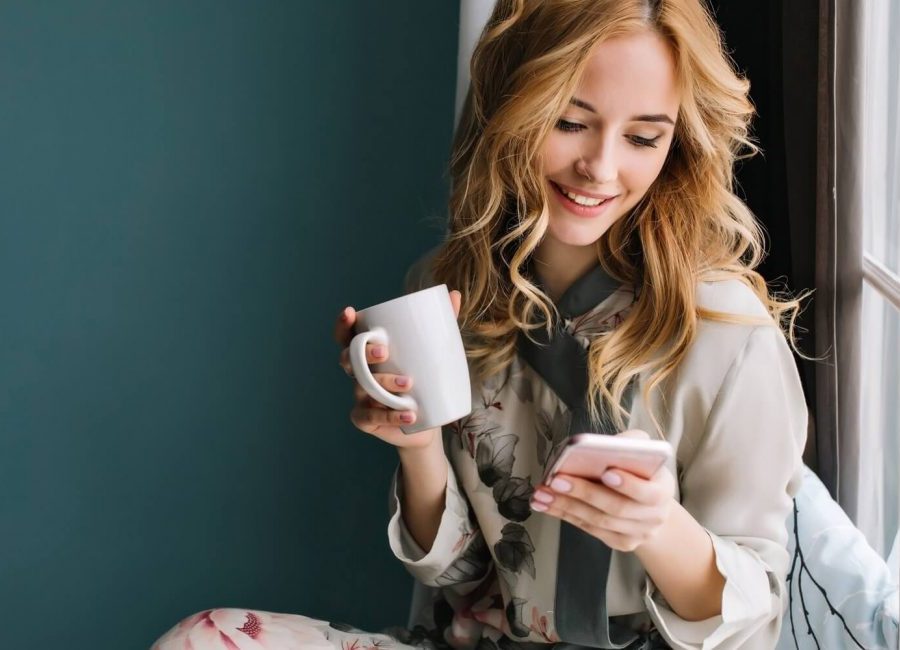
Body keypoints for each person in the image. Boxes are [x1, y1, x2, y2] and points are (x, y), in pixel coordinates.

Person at [152, 0, 810, 648]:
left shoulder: (727, 333)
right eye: (570, 122)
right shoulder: (448, 296)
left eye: (643, 137)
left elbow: (754, 623)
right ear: (511, 104)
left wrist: (657, 525)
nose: (602, 168)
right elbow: (459, 578)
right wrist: (418, 445)